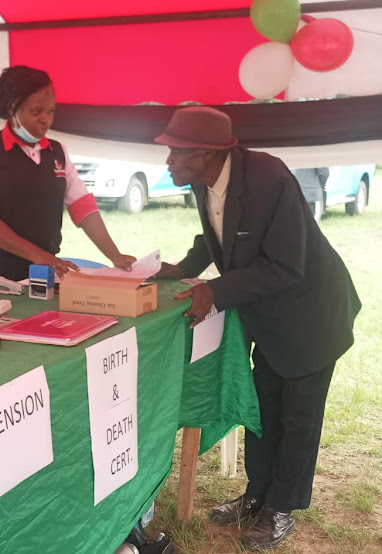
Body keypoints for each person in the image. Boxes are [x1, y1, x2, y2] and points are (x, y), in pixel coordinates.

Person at [152, 107, 361, 550]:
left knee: (298, 417)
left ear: (207, 152)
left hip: (311, 315)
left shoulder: (270, 178)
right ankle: (256, 496)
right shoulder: (203, 181)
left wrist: (215, 290)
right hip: (268, 317)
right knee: (263, 410)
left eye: (175, 152)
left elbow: (286, 264)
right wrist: (183, 268)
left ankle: (282, 506)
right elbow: (217, 234)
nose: (167, 161)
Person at [0, 65, 136, 283]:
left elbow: (83, 206)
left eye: (51, 111)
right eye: (36, 112)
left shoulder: (57, 151)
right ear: (14, 108)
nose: (46, 119)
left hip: (44, 271)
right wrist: (39, 256)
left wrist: (115, 255)